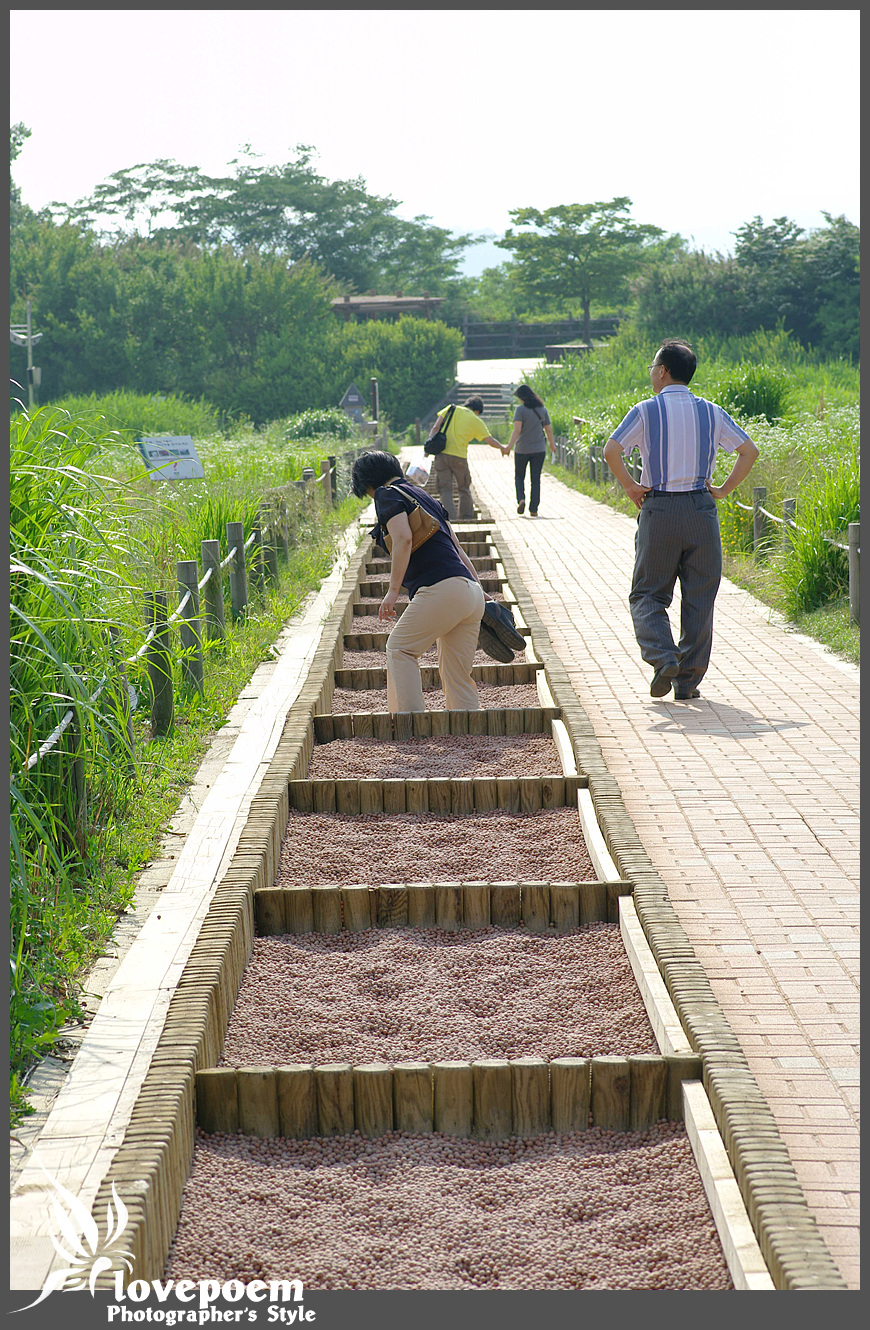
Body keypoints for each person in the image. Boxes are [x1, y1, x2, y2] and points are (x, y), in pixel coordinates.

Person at [603, 339, 759, 701]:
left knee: (647, 593)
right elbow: (748, 451)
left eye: (652, 369)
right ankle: (687, 683)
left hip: (659, 510)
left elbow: (612, 450)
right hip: (701, 511)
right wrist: (721, 490)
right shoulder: (712, 411)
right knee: (701, 598)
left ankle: (663, 657)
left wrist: (629, 486)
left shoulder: (645, 410)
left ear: (662, 371)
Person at [351, 450, 491, 713]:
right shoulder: (425, 496)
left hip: (442, 589)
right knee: (457, 674)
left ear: (369, 484)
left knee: (399, 649)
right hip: (469, 591)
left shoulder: (386, 493)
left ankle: (410, 725)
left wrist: (393, 591)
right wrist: (480, 591)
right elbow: (456, 548)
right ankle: (468, 731)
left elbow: (402, 538)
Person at [427, 394, 508, 521]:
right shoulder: (475, 420)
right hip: (459, 457)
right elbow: (489, 440)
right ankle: (466, 517)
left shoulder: (450, 409)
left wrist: (428, 447)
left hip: (441, 455)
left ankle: (450, 519)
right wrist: (502, 448)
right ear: (477, 411)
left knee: (445, 489)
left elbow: (436, 427)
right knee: (463, 488)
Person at [504, 384, 556, 516]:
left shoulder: (520, 410)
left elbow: (517, 430)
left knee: (519, 477)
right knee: (535, 479)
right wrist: (552, 444)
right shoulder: (542, 409)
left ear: (522, 397)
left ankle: (521, 499)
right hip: (539, 449)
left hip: (522, 449)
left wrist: (509, 446)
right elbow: (548, 429)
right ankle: (534, 509)